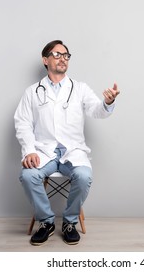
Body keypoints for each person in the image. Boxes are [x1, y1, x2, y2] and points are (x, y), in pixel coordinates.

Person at [14, 40, 120, 246]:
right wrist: (28, 151)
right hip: (43, 152)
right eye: (57, 54)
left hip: (72, 151)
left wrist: (108, 102)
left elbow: (96, 111)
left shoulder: (79, 89)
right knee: (27, 175)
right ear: (45, 60)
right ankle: (46, 222)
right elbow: (23, 123)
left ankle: (70, 222)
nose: (63, 58)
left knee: (84, 176)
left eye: (66, 55)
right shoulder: (32, 92)